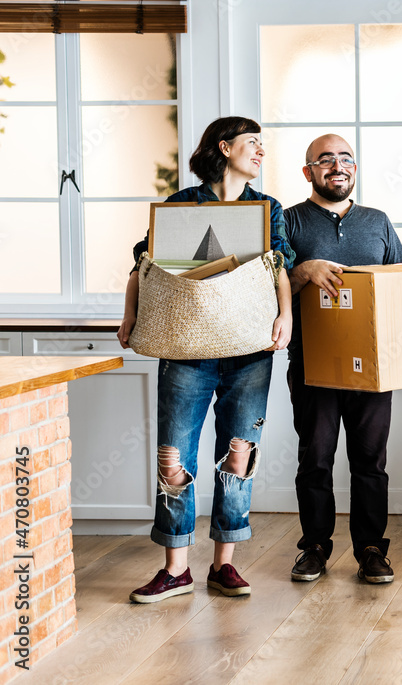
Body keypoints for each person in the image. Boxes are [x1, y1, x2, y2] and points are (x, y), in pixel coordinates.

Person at [117, 116, 295, 603]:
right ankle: (176, 569)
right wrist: (129, 317)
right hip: (185, 347)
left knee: (238, 455)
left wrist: (286, 317)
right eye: (251, 143)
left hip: (250, 349)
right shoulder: (180, 205)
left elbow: (279, 266)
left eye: (263, 145)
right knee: (174, 455)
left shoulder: (267, 208)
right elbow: (143, 266)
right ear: (225, 147)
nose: (260, 152)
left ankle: (224, 565)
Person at [284, 133, 402, 584]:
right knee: (315, 458)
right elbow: (268, 288)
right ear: (308, 171)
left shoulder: (378, 222)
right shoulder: (289, 221)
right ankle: (314, 547)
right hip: (313, 365)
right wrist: (304, 270)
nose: (338, 166)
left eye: (346, 159)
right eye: (326, 160)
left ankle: (372, 549)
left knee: (370, 461)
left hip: (373, 366)